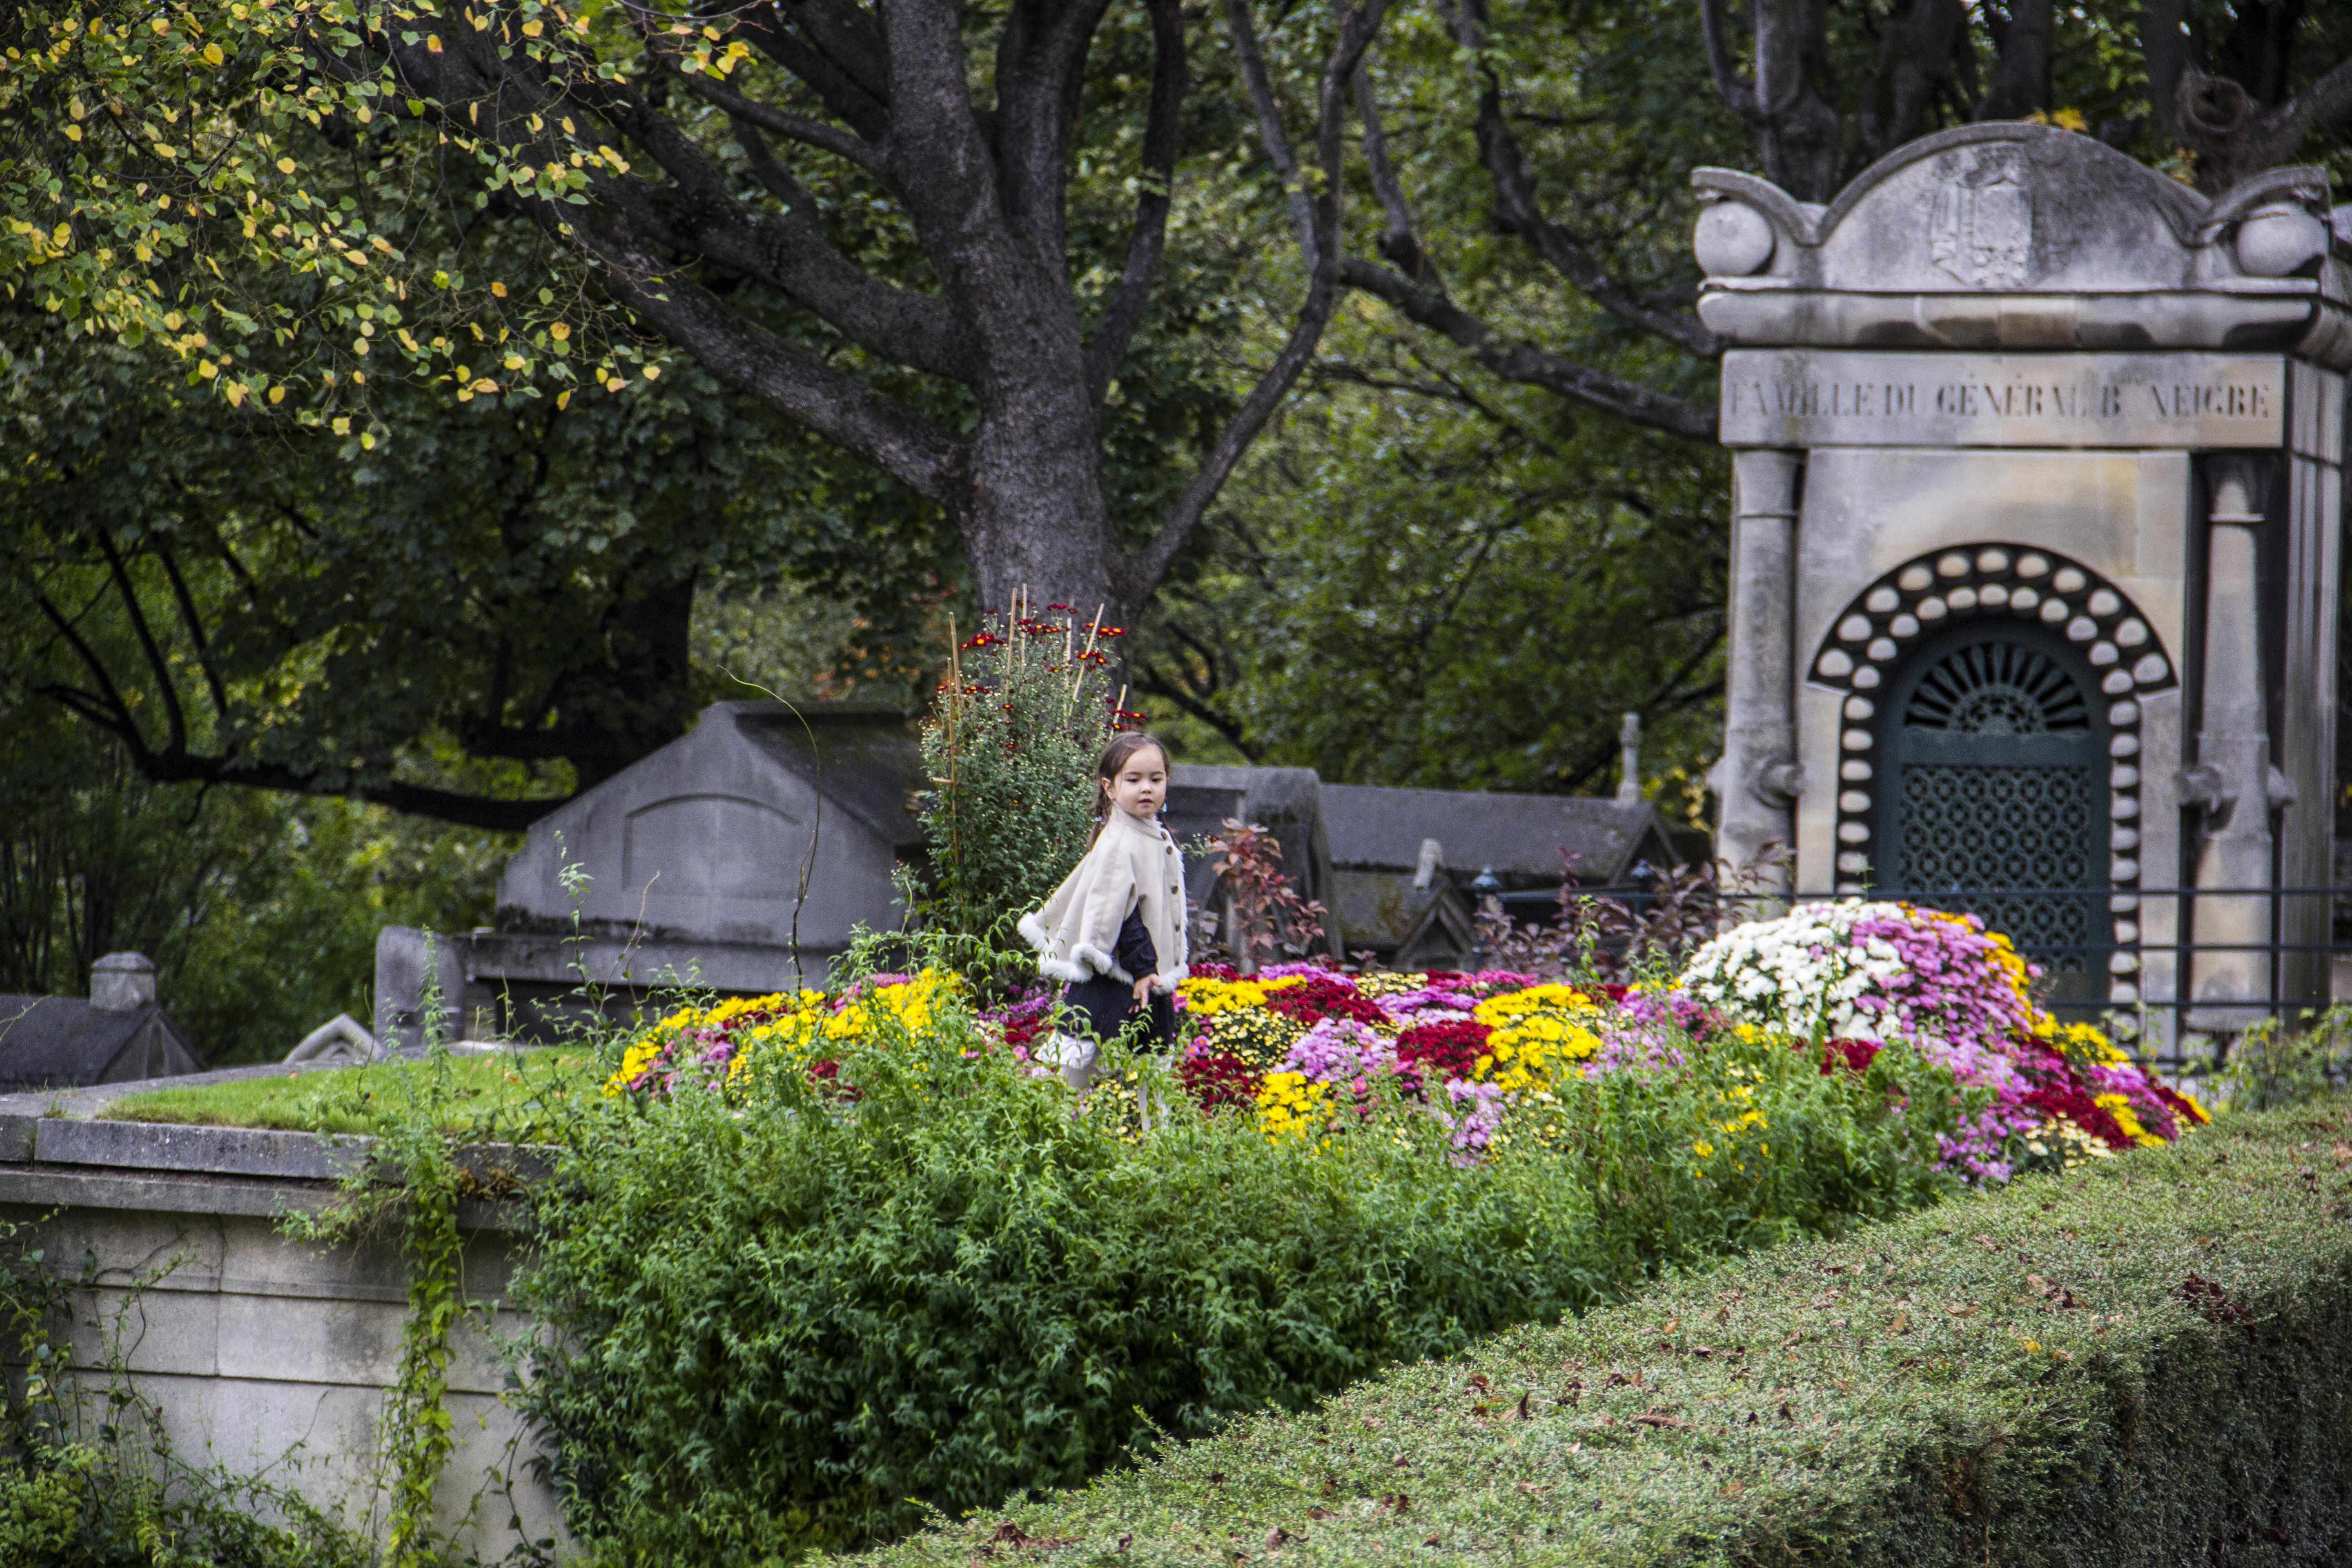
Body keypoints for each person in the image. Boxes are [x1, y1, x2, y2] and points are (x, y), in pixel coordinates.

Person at [1018, 732, 1189, 1088]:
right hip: (1122, 975)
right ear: (1110, 788)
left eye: (1156, 780)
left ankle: (1159, 1138)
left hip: (1143, 974)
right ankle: (1052, 1129)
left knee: (1152, 1063)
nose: (1147, 788)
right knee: (1079, 1062)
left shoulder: (1150, 835)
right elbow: (1120, 916)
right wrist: (1144, 970)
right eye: (1134, 780)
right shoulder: (1120, 842)